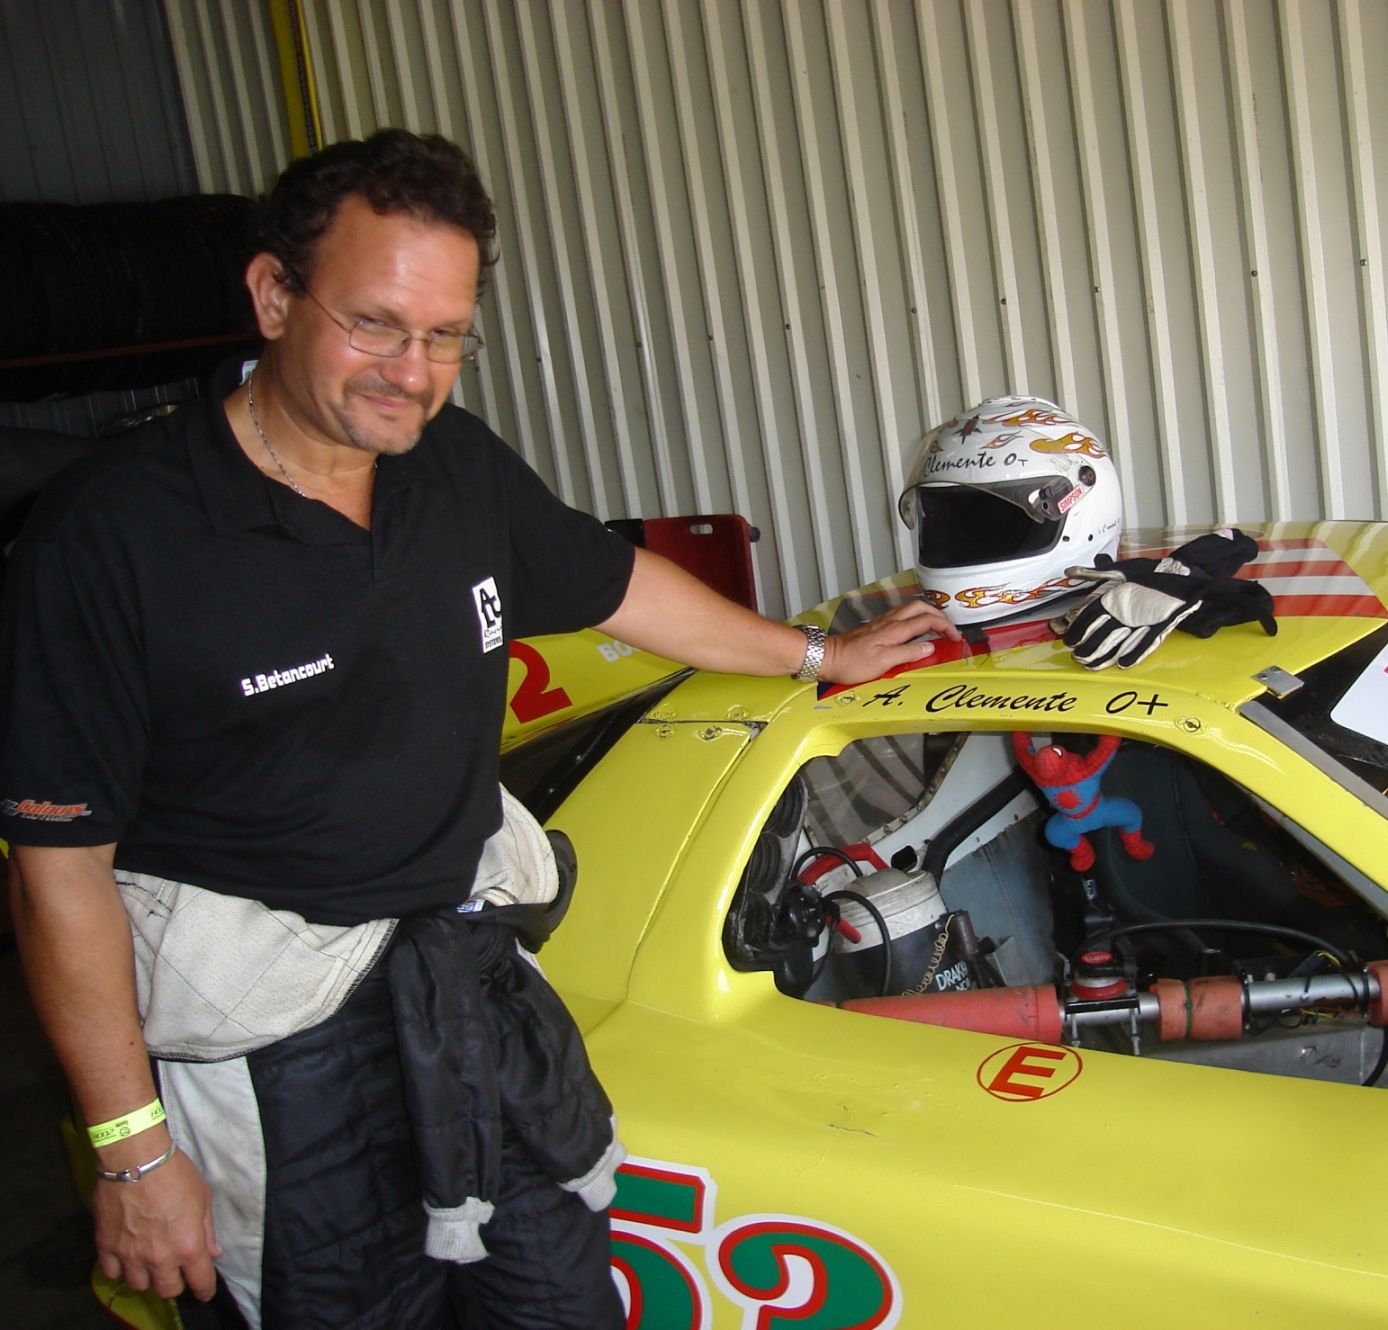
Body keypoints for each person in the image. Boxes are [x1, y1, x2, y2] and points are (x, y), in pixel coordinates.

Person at [0, 129, 957, 1329]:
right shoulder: (110, 535)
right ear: (272, 294)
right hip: (271, 1036)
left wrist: (820, 656)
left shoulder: (451, 464)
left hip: (463, 976)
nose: (411, 372)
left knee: (559, 1299)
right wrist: (134, 1151)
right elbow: (57, 873)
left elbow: (617, 584)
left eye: (445, 335)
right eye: (374, 325)